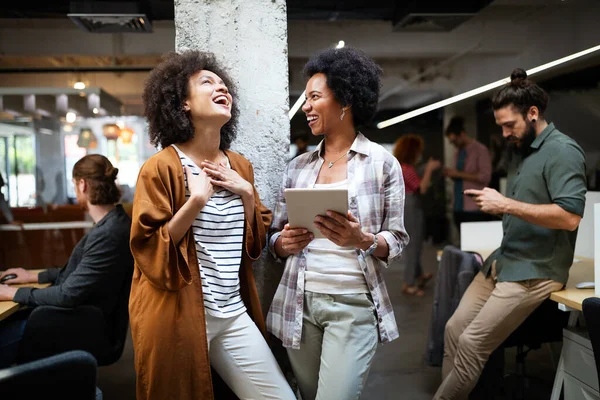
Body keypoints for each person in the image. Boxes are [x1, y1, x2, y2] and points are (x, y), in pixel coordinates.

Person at [129, 50, 295, 400]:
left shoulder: (239, 165)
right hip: (177, 316)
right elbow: (148, 247)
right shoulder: (161, 167)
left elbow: (256, 240)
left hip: (232, 312)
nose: (222, 88)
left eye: (224, 84)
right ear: (183, 103)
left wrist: (247, 193)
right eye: (207, 82)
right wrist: (196, 202)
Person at [434, 68, 587, 400]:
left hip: (536, 269)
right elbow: (522, 203)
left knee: (473, 342)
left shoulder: (563, 151)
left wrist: (506, 204)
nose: (504, 133)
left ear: (533, 114)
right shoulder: (520, 147)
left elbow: (570, 217)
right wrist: (501, 205)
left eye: (509, 125)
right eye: (500, 125)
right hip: (505, 261)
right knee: (453, 330)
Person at [267, 47, 409, 400]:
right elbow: (274, 237)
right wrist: (283, 243)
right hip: (299, 303)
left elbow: (397, 238)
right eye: (305, 98)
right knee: (311, 394)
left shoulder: (382, 163)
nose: (306, 107)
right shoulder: (298, 167)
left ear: (344, 100)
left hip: (353, 305)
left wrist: (362, 239)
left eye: (315, 97)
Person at [0, 154, 133, 368]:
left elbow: (68, 294)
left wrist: (11, 293)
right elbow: (81, 272)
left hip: (77, 324)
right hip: (75, 320)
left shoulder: (110, 233)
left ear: (82, 185)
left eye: (74, 184)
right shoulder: (112, 224)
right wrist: (31, 275)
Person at [393, 134, 441, 296]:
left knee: (415, 243)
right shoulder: (407, 169)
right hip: (411, 207)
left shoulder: (400, 166)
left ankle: (418, 275)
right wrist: (429, 170)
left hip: (406, 206)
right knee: (413, 245)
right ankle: (409, 283)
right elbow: (422, 189)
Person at [444, 116, 493, 234]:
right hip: (458, 206)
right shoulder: (457, 153)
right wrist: (452, 174)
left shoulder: (480, 150)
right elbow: (460, 176)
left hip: (474, 208)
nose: (454, 144)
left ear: (462, 134)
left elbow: (485, 176)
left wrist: (458, 174)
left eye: (455, 141)